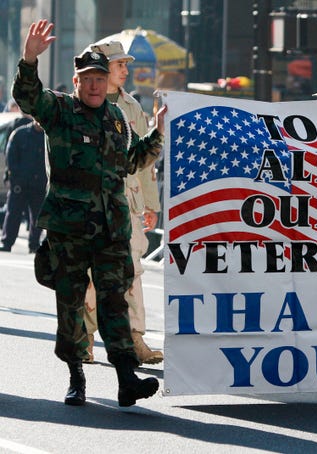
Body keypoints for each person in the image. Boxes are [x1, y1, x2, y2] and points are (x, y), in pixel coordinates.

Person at [13, 19, 166, 407]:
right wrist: (29, 59)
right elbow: (29, 96)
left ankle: (126, 378)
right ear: (77, 82)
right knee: (72, 302)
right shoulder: (61, 111)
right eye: (88, 78)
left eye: (101, 76)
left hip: (112, 229)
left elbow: (130, 163)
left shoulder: (117, 119)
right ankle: (76, 375)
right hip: (70, 230)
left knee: (115, 300)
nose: (95, 84)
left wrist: (157, 133)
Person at [81, 40, 163, 365]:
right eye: (119, 65)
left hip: (126, 205)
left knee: (132, 271)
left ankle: (135, 339)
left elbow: (145, 161)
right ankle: (83, 340)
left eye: (125, 65)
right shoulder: (82, 104)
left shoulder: (132, 108)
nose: (125, 70)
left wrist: (151, 205)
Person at [0, 118, 46, 253]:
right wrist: (15, 177)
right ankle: (7, 242)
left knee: (37, 217)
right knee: (13, 213)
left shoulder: (48, 137)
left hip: (39, 184)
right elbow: (10, 157)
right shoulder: (20, 134)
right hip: (20, 183)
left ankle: (34, 244)